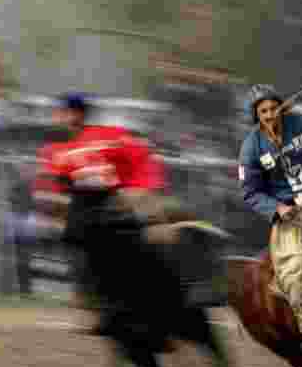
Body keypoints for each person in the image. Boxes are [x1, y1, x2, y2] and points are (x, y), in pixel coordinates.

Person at [33, 93, 210, 331]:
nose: (58, 118)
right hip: (87, 208)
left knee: (170, 225)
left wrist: (143, 191)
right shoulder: (53, 150)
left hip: (126, 195)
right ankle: (97, 306)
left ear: (76, 114)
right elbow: (52, 185)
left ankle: (197, 286)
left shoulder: (109, 135)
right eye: (58, 114)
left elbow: (143, 157)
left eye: (62, 113)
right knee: (74, 237)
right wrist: (53, 207)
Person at [238, 84, 302, 367]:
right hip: (288, 213)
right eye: (262, 111)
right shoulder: (251, 146)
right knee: (294, 266)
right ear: (256, 116)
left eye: (272, 108)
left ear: (282, 107)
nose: (269, 114)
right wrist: (278, 208)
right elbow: (251, 192)